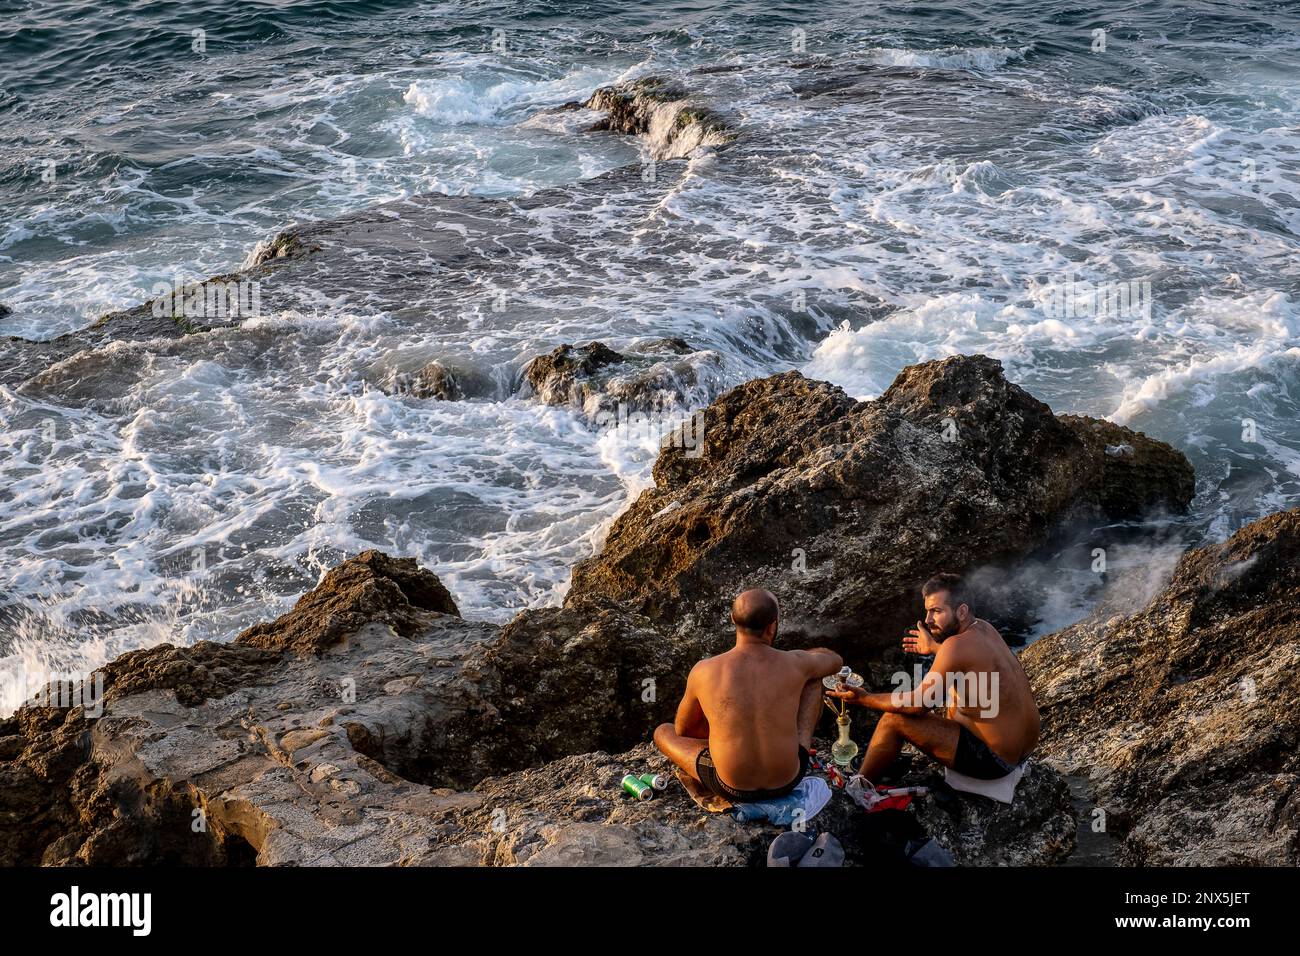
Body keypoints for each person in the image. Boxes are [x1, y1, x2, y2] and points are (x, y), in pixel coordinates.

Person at [827, 573, 1040, 782]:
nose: (928, 620)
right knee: (958, 700)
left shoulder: (955, 646)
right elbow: (968, 660)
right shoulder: (985, 629)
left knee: (894, 719)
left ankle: (859, 787)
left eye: (936, 611)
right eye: (927, 611)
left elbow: (918, 705)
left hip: (995, 762)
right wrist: (934, 647)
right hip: (1023, 752)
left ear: (962, 611)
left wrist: (865, 698)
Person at [653, 588, 843, 802]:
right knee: (813, 677)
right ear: (772, 626)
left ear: (732, 619)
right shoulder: (797, 663)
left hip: (730, 787)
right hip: (788, 780)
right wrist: (806, 657)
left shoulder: (703, 670)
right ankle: (796, 745)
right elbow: (834, 660)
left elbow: (684, 730)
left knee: (663, 731)